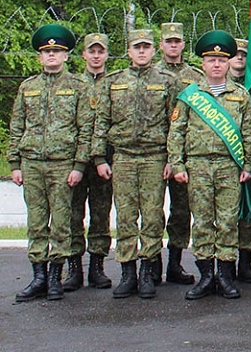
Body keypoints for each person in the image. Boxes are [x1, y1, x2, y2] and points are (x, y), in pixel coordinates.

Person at [93, 29, 181, 299]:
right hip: (123, 157)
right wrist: (99, 158)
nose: (142, 51)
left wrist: (171, 158)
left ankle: (147, 271)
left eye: (146, 47)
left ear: (154, 51)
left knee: (153, 216)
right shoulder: (114, 81)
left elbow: (174, 123)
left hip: (155, 157)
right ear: (128, 51)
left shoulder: (167, 81)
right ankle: (128, 272)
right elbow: (102, 122)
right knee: (126, 217)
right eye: (136, 47)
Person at [167, 32, 251, 300]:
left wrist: (249, 164)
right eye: (211, 60)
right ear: (203, 64)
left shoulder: (240, 96)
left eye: (221, 60)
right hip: (198, 166)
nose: (216, 64)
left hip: (229, 166)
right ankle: (206, 275)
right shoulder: (189, 96)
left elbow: (249, 132)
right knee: (203, 222)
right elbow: (176, 132)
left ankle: (225, 276)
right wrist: (177, 164)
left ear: (228, 64)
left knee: (228, 221)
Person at [9, 24, 91, 302]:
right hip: (31, 163)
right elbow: (16, 127)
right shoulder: (27, 87)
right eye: (47, 52)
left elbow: (85, 129)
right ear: (40, 57)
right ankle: (38, 277)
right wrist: (14, 163)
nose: (52, 55)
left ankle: (56, 276)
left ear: (67, 55)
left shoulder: (78, 87)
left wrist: (79, 165)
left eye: (57, 51)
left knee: (61, 223)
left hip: (62, 164)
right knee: (35, 222)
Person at [154, 21, 201, 286]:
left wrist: (178, 158)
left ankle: (175, 262)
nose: (173, 45)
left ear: (183, 44)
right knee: (151, 212)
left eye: (177, 41)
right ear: (161, 44)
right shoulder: (150, 73)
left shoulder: (195, 77)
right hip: (152, 152)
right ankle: (151, 265)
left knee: (181, 210)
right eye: (168, 41)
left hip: (182, 154)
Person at [67, 32, 114, 290]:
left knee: (100, 212)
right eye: (92, 51)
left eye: (101, 51)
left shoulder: (115, 83)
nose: (96, 56)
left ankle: (97, 266)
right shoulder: (73, 84)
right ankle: (74, 269)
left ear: (107, 54)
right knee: (74, 213)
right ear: (83, 54)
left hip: (104, 158)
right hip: (76, 158)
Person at [229, 38, 251, 284]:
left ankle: (245, 261)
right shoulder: (211, 86)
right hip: (221, 161)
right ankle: (224, 264)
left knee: (248, 212)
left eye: (244, 54)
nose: (239, 58)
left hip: (247, 161)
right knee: (223, 215)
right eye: (235, 54)